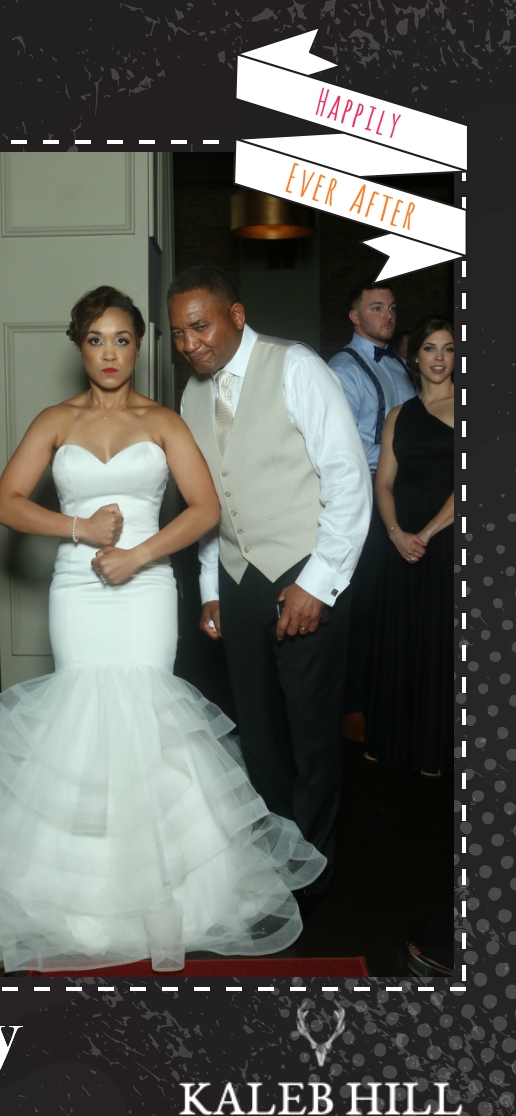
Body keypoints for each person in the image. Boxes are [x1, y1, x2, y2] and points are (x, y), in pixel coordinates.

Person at [0, 286, 325, 973]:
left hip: (145, 591)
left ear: (140, 345)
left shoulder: (163, 420)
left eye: (123, 339)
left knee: (148, 721)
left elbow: (205, 508)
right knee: (82, 718)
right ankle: (75, 901)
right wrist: (77, 529)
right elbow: (4, 503)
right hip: (77, 591)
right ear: (79, 346)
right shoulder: (54, 420)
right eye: (97, 339)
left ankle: (172, 897)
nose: (110, 353)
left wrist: (137, 553)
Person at [173, 265, 370, 905]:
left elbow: (346, 478)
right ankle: (276, 864)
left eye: (199, 326)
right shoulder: (188, 397)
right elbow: (207, 505)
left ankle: (313, 877)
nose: (190, 344)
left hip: (303, 571)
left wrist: (318, 582)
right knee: (257, 734)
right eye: (178, 334)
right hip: (236, 579)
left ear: (235, 315)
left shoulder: (297, 367)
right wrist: (209, 586)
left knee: (311, 735)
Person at [365, 318, 454, 775]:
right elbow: (382, 483)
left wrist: (429, 533)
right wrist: (397, 533)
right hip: (401, 543)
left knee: (441, 641)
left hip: (449, 541)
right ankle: (397, 743)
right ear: (414, 357)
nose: (439, 358)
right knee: (401, 640)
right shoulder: (399, 415)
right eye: (429, 349)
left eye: (448, 349)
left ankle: (436, 748)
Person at [329, 282, 416, 742]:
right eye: (376, 308)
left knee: (393, 602)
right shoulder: (343, 370)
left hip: (405, 493)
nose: (387, 315)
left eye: (391, 308)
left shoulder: (402, 364)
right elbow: (341, 448)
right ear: (354, 316)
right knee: (361, 603)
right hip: (364, 495)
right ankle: (351, 705)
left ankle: (387, 697)